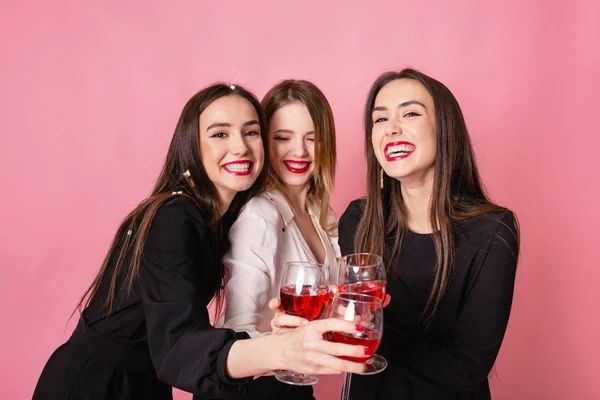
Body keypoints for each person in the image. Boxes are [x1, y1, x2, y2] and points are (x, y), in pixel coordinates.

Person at [32, 83, 366, 400]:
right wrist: (281, 348)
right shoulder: (175, 216)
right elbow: (177, 345)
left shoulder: (213, 217)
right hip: (95, 385)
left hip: (147, 380)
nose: (240, 146)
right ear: (192, 144)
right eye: (220, 133)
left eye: (250, 132)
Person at [338, 69, 520, 400]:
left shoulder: (493, 231)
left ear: (445, 130)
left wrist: (370, 348)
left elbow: (467, 364)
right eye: (380, 120)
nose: (391, 128)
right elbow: (352, 323)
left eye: (409, 113)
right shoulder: (357, 219)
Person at [219, 80, 340, 399]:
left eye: (312, 139)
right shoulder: (260, 215)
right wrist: (281, 345)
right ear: (263, 142)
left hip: (292, 382)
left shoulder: (322, 215)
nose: (299, 151)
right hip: (253, 389)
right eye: (283, 138)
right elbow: (236, 331)